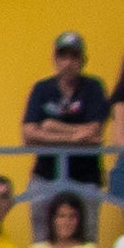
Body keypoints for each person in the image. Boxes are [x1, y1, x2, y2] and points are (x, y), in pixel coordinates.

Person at [18, 30, 105, 217]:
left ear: (83, 60)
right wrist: (76, 136)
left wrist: (51, 125)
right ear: (55, 59)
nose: (68, 62)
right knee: (42, 240)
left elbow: (94, 132)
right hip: (45, 176)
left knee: (86, 241)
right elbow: (29, 134)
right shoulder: (42, 88)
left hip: (85, 178)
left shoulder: (93, 88)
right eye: (63, 56)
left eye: (74, 56)